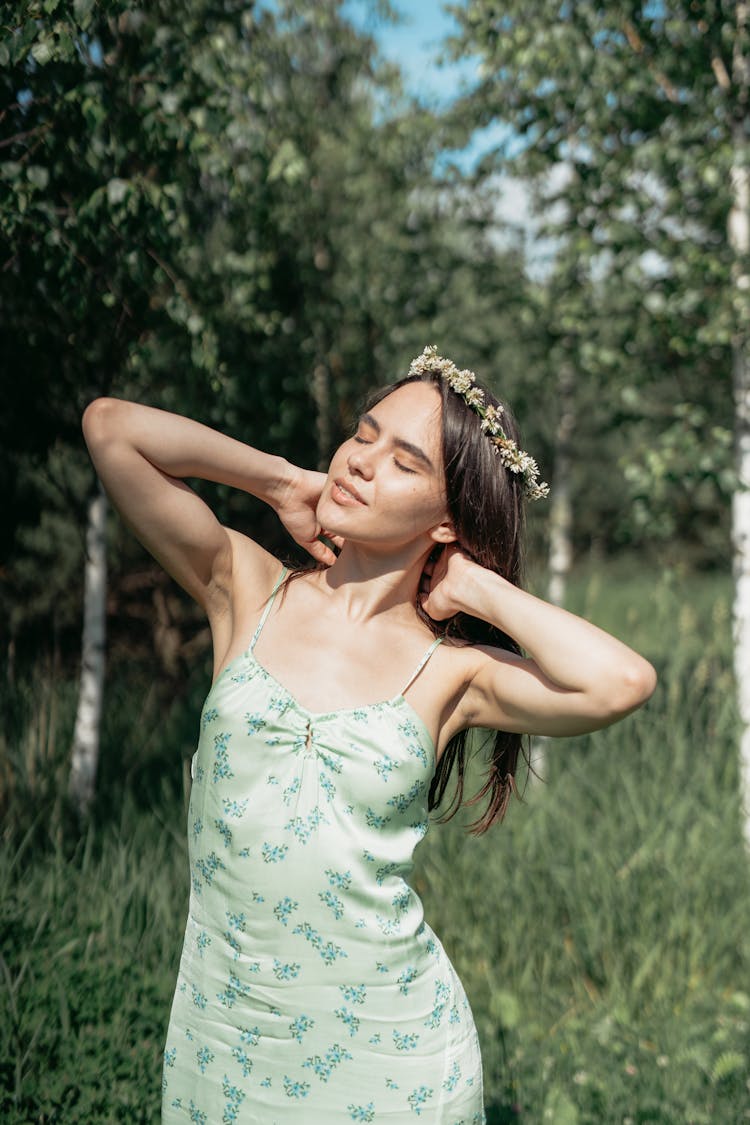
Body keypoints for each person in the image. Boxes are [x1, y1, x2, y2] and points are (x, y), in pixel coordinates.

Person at [82, 346, 656, 1124]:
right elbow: (112, 429)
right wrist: (280, 481)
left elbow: (622, 681)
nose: (360, 460)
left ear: (446, 516)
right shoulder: (247, 589)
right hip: (226, 1038)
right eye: (364, 432)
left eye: (404, 461)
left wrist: (477, 584)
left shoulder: (451, 672)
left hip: (396, 1063)